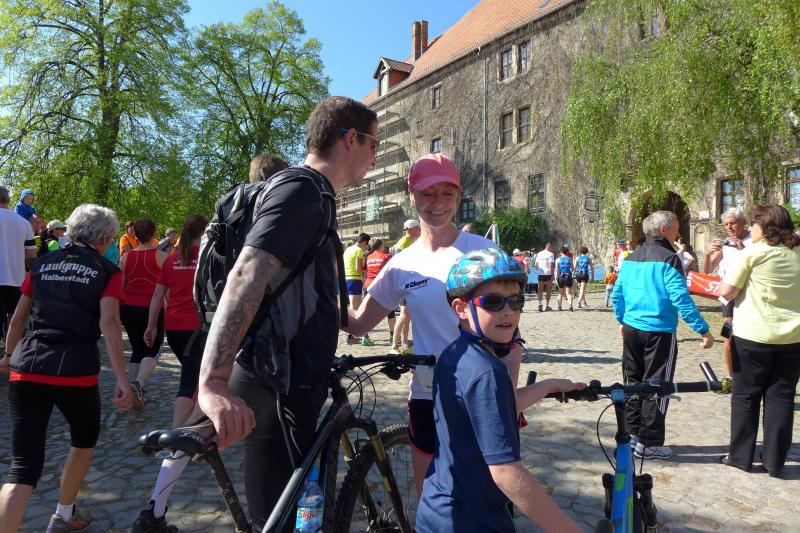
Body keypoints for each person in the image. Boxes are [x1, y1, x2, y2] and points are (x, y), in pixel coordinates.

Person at [197, 96, 378, 531]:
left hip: (290, 378)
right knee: (280, 521)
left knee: (294, 517)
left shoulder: (314, 194)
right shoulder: (302, 190)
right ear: (349, 139)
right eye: (374, 144)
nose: (375, 156)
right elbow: (247, 274)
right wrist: (213, 381)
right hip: (277, 382)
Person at [342, 153, 510, 497]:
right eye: (427, 193)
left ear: (459, 196)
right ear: (412, 195)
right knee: (429, 496)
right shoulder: (402, 264)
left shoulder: (484, 251)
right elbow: (359, 324)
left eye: (447, 193)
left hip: (478, 392)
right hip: (426, 393)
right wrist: (311, 291)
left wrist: (506, 392)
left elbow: (510, 328)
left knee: (481, 497)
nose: (438, 203)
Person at [416, 248, 584, 533]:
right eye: (493, 302)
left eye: (516, 301)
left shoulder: (455, 354)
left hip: (438, 508)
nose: (508, 311)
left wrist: (550, 385)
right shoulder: (486, 372)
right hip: (473, 520)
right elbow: (506, 472)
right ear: (461, 308)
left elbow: (495, 410)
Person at [0, 203, 131, 533]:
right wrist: (122, 379)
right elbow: (110, 323)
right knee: (83, 440)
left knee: (22, 468)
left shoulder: (41, 264)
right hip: (75, 370)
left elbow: (18, 319)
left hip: (28, 365)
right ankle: (63, 513)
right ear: (104, 238)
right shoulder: (107, 271)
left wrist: (8, 354)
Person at [611, 210, 714, 460]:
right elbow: (681, 298)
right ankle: (650, 442)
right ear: (663, 230)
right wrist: (703, 329)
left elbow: (617, 294)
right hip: (658, 332)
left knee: (633, 383)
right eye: (676, 228)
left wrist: (622, 320)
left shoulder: (631, 258)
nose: (679, 233)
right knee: (657, 386)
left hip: (633, 329)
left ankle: (632, 435)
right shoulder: (669, 258)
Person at [717, 204, 800, 478]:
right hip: (792, 337)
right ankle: (775, 462)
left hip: (753, 335)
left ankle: (740, 457)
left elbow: (728, 291)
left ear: (764, 226)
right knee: (782, 398)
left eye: (753, 223)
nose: (751, 228)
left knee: (746, 397)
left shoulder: (753, 252)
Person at [119, 218, 169, 410]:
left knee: (137, 349)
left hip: (128, 308)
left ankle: (134, 394)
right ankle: (138, 384)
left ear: (135, 235)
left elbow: (121, 285)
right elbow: (168, 287)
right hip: (152, 308)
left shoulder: (125, 258)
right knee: (153, 348)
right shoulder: (161, 257)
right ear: (154, 233)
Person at [701, 207, 752, 385]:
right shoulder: (724, 244)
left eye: (733, 223)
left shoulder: (753, 240)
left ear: (743, 222)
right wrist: (707, 253)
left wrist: (742, 248)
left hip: (749, 294)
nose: (729, 227)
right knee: (727, 336)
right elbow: (707, 270)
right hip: (728, 298)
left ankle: (750, 374)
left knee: (750, 336)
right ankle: (731, 376)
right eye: (726, 224)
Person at [0, 187, 37, 343]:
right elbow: (31, 254)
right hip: (17, 279)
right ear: (8, 200)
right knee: (15, 320)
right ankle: (12, 351)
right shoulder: (23, 223)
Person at [390, 219, 421, 353]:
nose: (420, 230)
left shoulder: (413, 242)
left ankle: (404, 343)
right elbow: (398, 264)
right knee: (403, 315)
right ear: (411, 229)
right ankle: (394, 345)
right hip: (405, 283)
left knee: (407, 316)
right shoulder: (403, 243)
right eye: (418, 228)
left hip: (411, 282)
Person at [364, 238, 395, 345]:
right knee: (390, 310)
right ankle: (392, 336)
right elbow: (390, 272)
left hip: (369, 284)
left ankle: (365, 337)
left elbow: (365, 271)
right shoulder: (386, 256)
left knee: (367, 312)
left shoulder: (368, 257)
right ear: (381, 246)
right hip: (382, 285)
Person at [343, 232, 370, 345]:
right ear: (364, 242)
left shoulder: (348, 249)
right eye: (367, 244)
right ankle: (351, 336)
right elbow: (359, 269)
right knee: (355, 309)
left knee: (351, 308)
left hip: (346, 279)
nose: (366, 247)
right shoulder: (359, 251)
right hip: (355, 279)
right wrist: (366, 269)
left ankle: (352, 335)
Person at [534, 242, 555, 312]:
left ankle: (540, 303)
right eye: (552, 247)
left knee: (540, 289)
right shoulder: (551, 254)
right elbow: (551, 265)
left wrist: (539, 271)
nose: (552, 249)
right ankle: (546, 305)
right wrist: (552, 275)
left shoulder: (539, 253)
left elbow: (536, 264)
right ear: (549, 246)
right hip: (548, 273)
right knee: (548, 290)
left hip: (541, 273)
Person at [555, 246, 574, 311]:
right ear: (567, 252)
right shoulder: (569, 259)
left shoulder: (557, 260)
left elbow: (557, 271)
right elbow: (572, 268)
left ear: (561, 252)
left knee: (560, 293)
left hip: (561, 277)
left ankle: (559, 306)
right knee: (569, 293)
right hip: (568, 276)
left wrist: (556, 279)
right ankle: (570, 305)